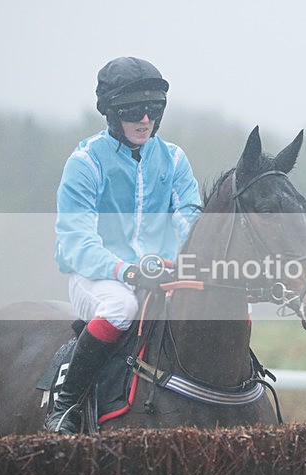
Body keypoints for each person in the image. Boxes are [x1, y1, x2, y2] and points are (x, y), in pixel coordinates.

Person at [48, 57, 202, 434]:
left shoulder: (174, 159)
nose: (145, 119)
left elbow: (190, 219)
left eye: (154, 109)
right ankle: (66, 405)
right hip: (96, 277)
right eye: (134, 111)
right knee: (122, 307)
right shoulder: (85, 162)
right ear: (111, 112)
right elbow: (78, 241)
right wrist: (127, 272)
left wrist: (189, 262)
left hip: (158, 274)